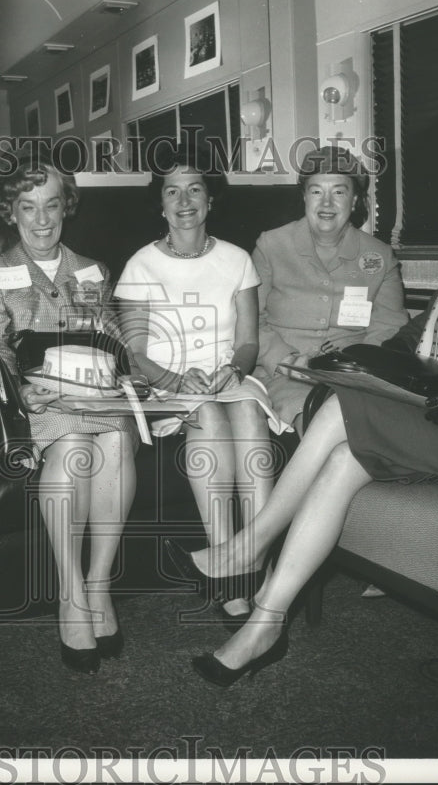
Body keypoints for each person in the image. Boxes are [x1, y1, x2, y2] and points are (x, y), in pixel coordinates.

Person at [165, 94, 438, 686]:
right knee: (339, 459)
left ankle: (249, 548)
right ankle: (265, 623)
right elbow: (421, 334)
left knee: (340, 410)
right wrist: (359, 360)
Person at [0, 155, 137, 674]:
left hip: (96, 395)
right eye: (27, 207)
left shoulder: (92, 269)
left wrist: (126, 366)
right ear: (10, 212)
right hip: (39, 404)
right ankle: (70, 592)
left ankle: (98, 583)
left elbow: (112, 338)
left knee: (112, 441)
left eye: (51, 205)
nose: (41, 220)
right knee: (71, 447)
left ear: (66, 206)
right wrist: (22, 390)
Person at [115, 143, 288, 624]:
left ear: (211, 200)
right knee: (208, 414)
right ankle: (230, 572)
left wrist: (236, 366)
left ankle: (257, 560)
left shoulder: (237, 260)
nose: (184, 200)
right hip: (167, 385)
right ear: (161, 202)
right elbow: (136, 354)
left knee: (249, 412)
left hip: (230, 377)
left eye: (195, 189)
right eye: (173, 191)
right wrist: (177, 379)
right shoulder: (140, 266)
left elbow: (249, 341)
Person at [253, 146, 409, 434]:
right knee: (312, 411)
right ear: (304, 197)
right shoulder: (272, 245)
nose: (326, 203)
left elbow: (389, 327)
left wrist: (354, 365)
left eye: (338, 192)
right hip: (285, 374)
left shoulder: (380, 256)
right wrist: (286, 360)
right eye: (316, 191)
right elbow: (251, 319)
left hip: (350, 375)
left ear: (355, 199)